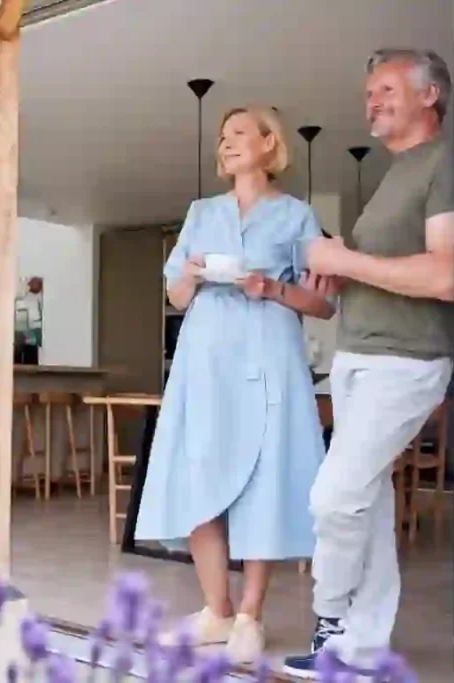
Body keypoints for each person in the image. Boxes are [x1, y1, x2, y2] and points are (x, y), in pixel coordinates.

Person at [134, 106, 337, 664]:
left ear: (271, 145)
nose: (225, 145)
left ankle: (250, 615)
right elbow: (175, 295)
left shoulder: (298, 216)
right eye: (222, 137)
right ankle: (216, 610)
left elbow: (322, 302)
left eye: (239, 134)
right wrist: (194, 273)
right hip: (204, 359)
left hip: (270, 355)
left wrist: (270, 287)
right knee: (200, 472)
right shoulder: (200, 213)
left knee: (264, 478)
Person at [282, 48, 454, 679]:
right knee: (369, 503)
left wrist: (345, 261)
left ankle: (330, 618)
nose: (371, 103)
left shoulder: (449, 161)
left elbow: (448, 274)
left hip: (406, 360)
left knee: (335, 497)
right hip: (359, 354)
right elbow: (384, 272)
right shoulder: (395, 173)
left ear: (430, 95)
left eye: (385, 90)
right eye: (368, 95)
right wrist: (334, 274)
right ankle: (363, 647)